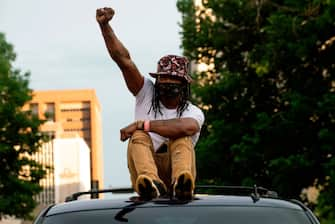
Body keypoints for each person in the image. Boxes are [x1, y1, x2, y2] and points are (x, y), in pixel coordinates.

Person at [96, 7, 205, 200]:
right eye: (163, 82)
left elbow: (189, 127)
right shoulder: (145, 92)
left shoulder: (192, 112)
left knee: (180, 138)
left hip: (177, 167)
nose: (167, 87)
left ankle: (182, 182)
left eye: (173, 83)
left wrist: (143, 124)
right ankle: (151, 183)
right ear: (157, 82)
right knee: (139, 136)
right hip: (143, 171)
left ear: (183, 86)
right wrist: (105, 26)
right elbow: (124, 61)